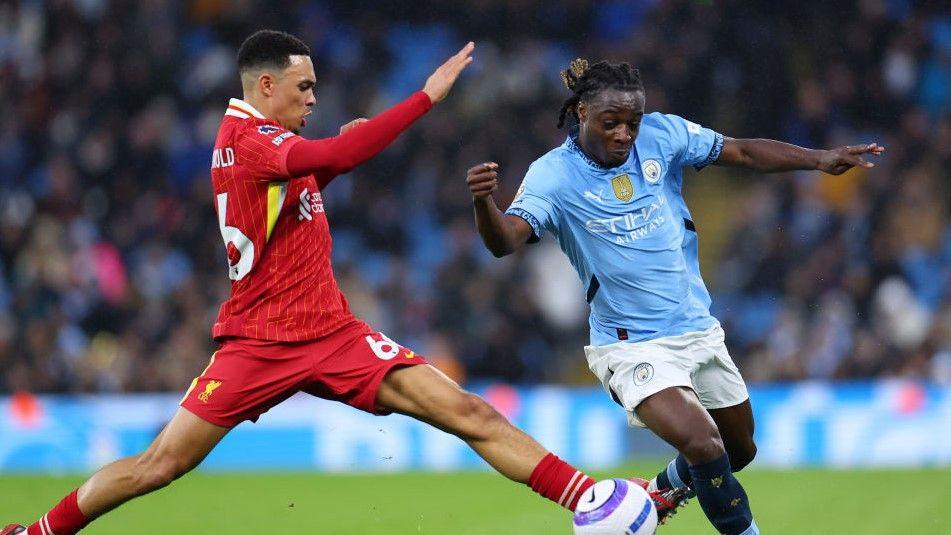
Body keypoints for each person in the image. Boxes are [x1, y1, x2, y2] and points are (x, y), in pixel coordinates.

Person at [3, 31, 600, 535]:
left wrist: (334, 151)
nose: (313, 97)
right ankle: (36, 533)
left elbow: (305, 188)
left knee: (469, 411)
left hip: (332, 333)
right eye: (304, 87)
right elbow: (338, 156)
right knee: (159, 465)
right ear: (266, 86)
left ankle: (592, 502)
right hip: (260, 342)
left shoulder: (268, 147)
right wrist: (423, 98)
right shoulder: (248, 140)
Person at [465, 58, 884, 535]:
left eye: (632, 122)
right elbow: (505, 241)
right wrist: (484, 204)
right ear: (581, 112)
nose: (624, 134)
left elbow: (743, 152)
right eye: (611, 123)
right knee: (704, 446)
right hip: (631, 345)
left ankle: (658, 490)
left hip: (696, 327)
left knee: (737, 451)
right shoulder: (553, 176)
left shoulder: (663, 136)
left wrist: (819, 159)